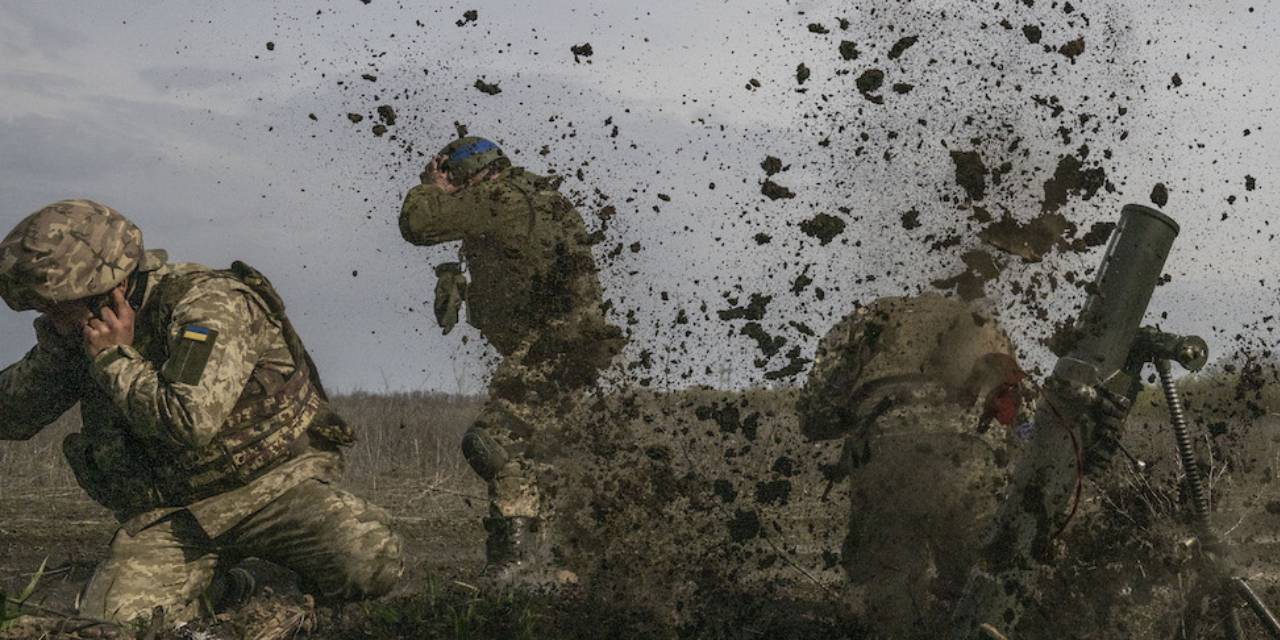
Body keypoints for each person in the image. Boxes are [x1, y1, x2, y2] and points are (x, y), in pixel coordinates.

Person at [0, 199, 403, 624]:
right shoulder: (82, 332)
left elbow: (190, 420)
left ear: (109, 289)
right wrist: (63, 353)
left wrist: (115, 360)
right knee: (117, 621)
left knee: (370, 559)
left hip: (273, 491)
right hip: (176, 517)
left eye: (58, 307)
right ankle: (230, 588)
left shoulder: (208, 304)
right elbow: (13, 414)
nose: (52, 319)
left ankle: (273, 580)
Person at [399, 136, 624, 578]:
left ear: (469, 173)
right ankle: (561, 567)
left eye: (454, 178)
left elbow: (419, 224)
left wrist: (431, 187)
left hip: (554, 349)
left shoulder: (500, 196)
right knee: (538, 457)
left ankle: (517, 565)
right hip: (568, 349)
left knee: (495, 442)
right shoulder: (536, 195)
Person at [796, 294, 1033, 637]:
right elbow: (1023, 423)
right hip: (971, 461)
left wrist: (858, 415)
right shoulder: (981, 322)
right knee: (986, 587)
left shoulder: (865, 322)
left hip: (887, 458)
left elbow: (814, 415)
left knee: (888, 591)